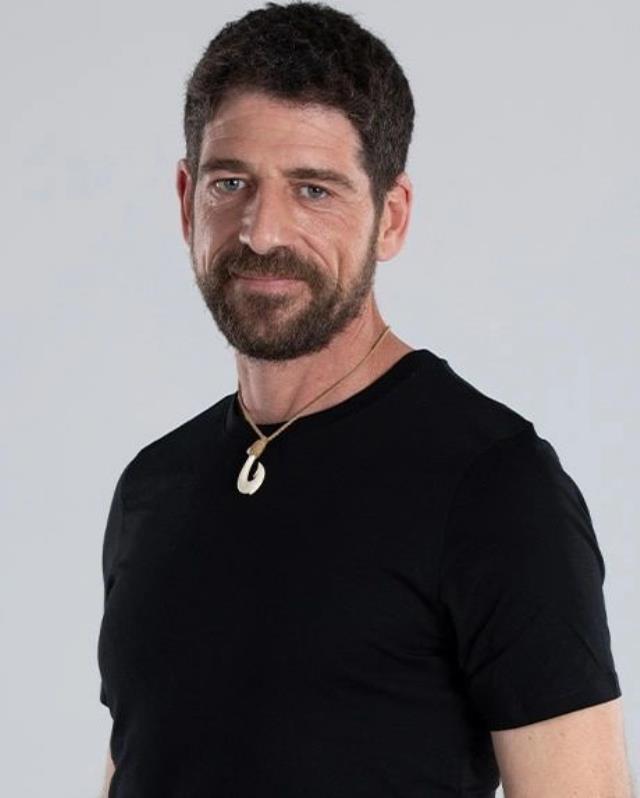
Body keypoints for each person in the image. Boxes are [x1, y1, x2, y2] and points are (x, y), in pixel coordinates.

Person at [97, 3, 634, 796]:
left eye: (314, 190)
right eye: (231, 183)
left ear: (392, 218)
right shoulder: (154, 485)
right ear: (186, 199)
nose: (262, 232)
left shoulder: (494, 486)